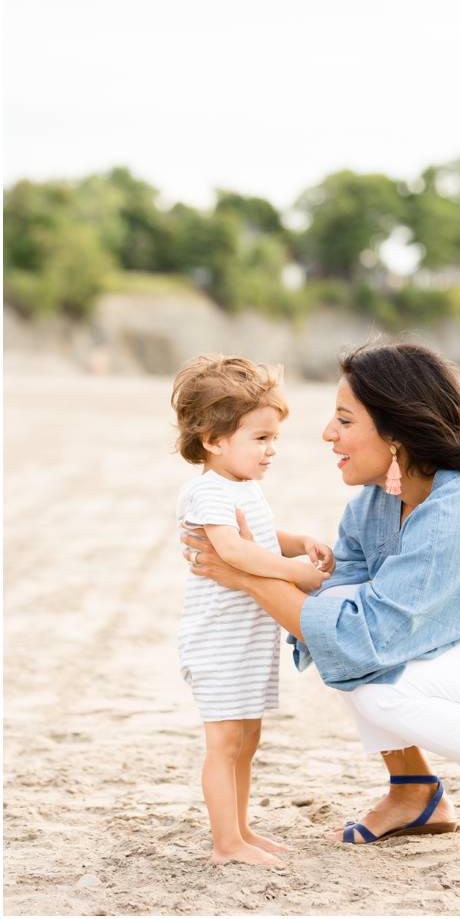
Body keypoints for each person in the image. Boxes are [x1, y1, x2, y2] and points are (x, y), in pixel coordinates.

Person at [183, 342, 460, 864]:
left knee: (375, 673)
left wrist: (245, 575)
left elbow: (359, 636)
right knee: (344, 634)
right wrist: (275, 569)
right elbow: (335, 607)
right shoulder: (375, 503)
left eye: (344, 420)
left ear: (396, 433)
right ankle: (414, 791)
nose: (327, 433)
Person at [171, 355, 333, 866]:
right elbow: (235, 552)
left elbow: (261, 537)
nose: (271, 451)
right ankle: (226, 844)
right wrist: (295, 574)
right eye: (260, 438)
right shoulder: (206, 491)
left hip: (246, 639)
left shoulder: (241, 488)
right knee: (224, 743)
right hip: (219, 641)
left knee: (248, 738)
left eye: (274, 438)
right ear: (213, 440)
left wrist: (297, 540)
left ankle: (240, 829)